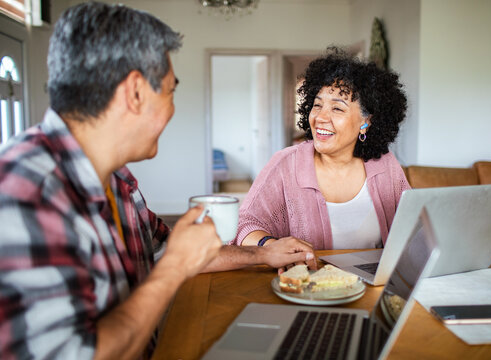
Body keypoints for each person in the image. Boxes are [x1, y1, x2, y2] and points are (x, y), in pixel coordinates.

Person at [0, 3, 315, 359]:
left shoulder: (117, 179)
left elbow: (168, 250)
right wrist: (174, 268)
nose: (172, 108)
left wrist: (261, 253)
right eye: (170, 91)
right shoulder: (28, 192)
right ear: (135, 93)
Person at [232, 47, 410, 251]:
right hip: (310, 282)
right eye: (317, 106)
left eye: (337, 108)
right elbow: (243, 225)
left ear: (366, 121)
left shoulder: (385, 164)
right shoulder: (286, 164)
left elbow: (413, 226)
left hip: (371, 283)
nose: (320, 118)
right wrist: (269, 244)